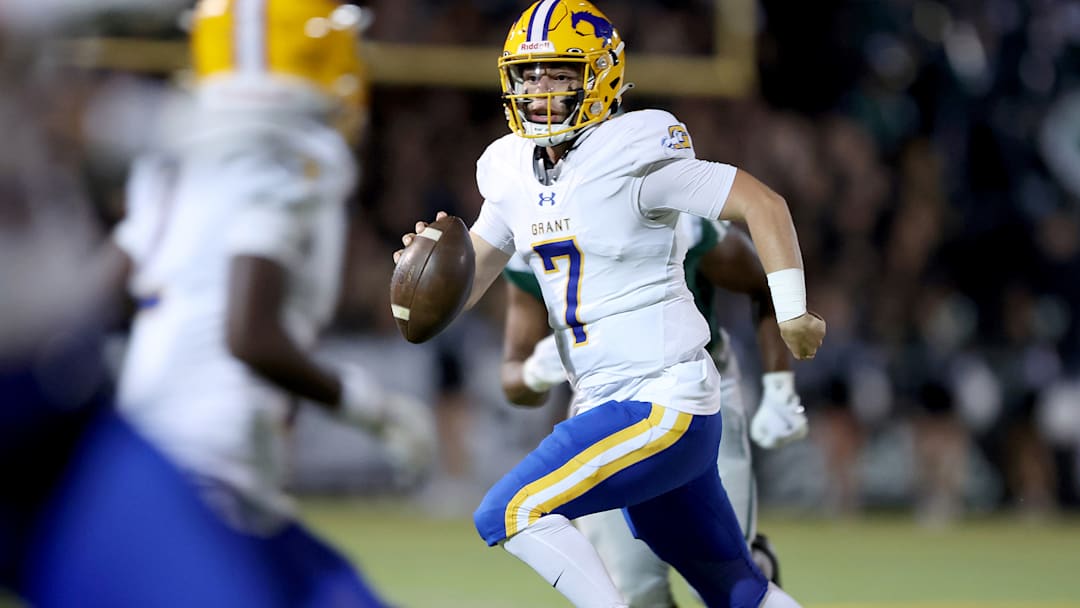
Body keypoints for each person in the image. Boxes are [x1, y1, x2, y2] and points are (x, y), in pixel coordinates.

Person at [394, 1, 825, 606]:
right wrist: (420, 280)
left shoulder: (635, 151)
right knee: (738, 590)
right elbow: (470, 284)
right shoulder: (510, 169)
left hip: (660, 399)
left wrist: (794, 311)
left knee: (510, 511)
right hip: (620, 401)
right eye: (529, 74)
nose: (540, 88)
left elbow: (763, 203)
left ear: (600, 77)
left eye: (560, 74)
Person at [103, 1, 432, 606]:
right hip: (216, 453)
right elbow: (249, 334)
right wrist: (371, 408)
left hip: (149, 448)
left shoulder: (169, 151)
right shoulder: (290, 149)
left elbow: (109, 291)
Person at [501, 213, 807, 605]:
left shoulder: (671, 214)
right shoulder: (530, 229)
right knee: (634, 590)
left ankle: (755, 566)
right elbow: (512, 380)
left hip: (696, 395)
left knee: (726, 576)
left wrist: (780, 385)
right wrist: (533, 372)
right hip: (604, 407)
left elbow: (761, 282)